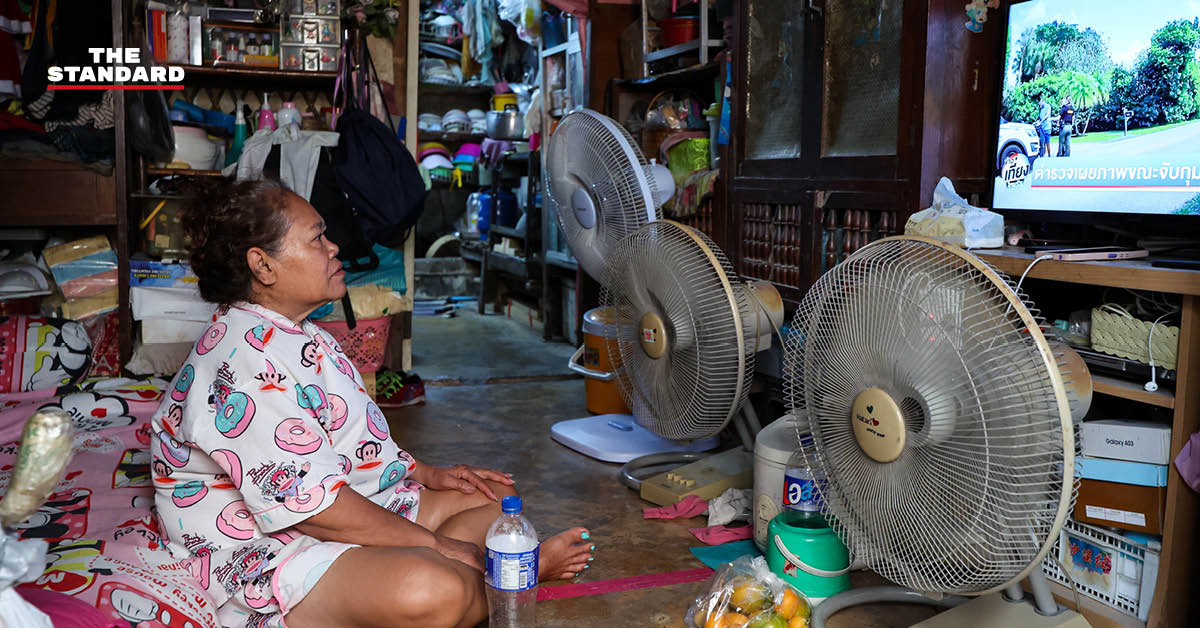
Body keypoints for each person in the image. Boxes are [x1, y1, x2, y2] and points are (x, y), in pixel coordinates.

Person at [150, 179, 593, 628]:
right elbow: (317, 511)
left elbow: (342, 441)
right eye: (317, 237)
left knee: (497, 501)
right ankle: (515, 578)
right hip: (270, 550)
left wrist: (424, 473)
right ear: (263, 266)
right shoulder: (241, 364)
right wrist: (436, 544)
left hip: (339, 510)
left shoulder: (302, 335)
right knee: (431, 589)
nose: (334, 246)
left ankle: (468, 575)